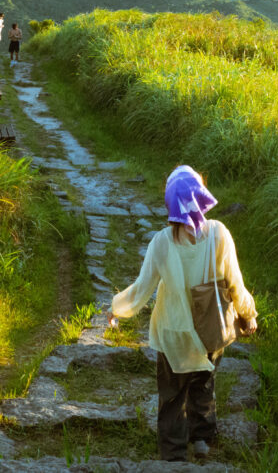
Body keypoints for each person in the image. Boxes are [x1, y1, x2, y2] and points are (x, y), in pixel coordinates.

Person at [109, 165, 258, 462]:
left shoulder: (162, 242)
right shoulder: (219, 234)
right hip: (210, 331)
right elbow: (235, 283)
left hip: (172, 334)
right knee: (203, 383)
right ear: (202, 195)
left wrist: (116, 309)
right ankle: (202, 438)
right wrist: (248, 314)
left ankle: (174, 452)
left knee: (172, 394)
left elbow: (141, 290)